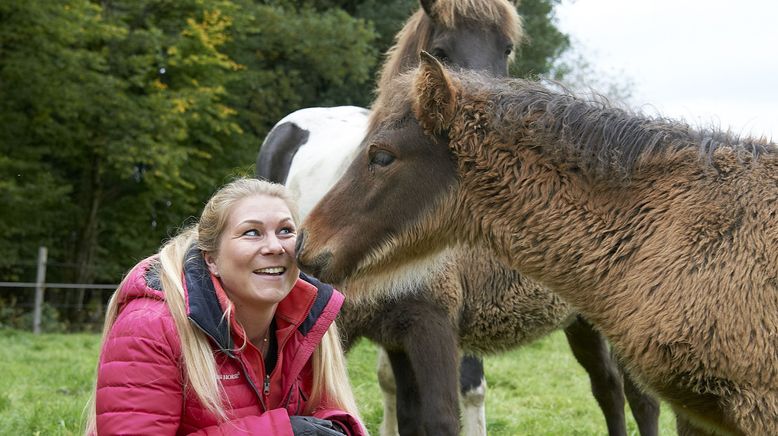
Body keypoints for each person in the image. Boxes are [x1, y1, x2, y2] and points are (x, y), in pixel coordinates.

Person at [84, 177, 366, 435]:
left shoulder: (309, 315)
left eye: (285, 231)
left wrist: (335, 426)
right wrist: (280, 431)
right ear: (212, 259)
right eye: (252, 233)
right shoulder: (151, 325)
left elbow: (322, 408)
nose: (275, 247)